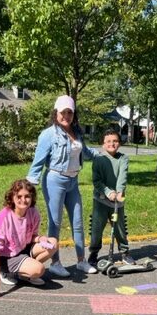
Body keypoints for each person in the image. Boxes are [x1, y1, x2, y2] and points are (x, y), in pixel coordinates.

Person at [27, 95, 98, 277]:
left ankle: (81, 261)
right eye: (63, 112)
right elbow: (38, 161)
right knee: (55, 223)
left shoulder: (77, 132)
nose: (66, 116)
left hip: (73, 181)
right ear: (56, 113)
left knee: (77, 222)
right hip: (55, 180)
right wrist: (30, 183)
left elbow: (86, 151)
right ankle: (56, 262)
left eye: (70, 112)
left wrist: (103, 155)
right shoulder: (48, 134)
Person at [0, 179, 58, 299]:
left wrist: (41, 238)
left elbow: (32, 236)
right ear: (12, 197)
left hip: (22, 249)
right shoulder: (4, 217)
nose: (23, 200)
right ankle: (5, 273)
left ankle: (25, 275)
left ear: (32, 197)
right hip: (6, 257)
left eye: (27, 196)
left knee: (53, 243)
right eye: (19, 196)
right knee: (39, 269)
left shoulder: (33, 212)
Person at [88, 129, 135, 268]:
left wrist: (120, 192)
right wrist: (108, 192)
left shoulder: (123, 158)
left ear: (119, 143)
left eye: (115, 141)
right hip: (101, 200)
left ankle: (125, 253)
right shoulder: (98, 159)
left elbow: (122, 176)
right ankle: (93, 254)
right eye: (108, 141)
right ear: (103, 144)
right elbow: (96, 181)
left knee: (120, 228)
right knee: (97, 229)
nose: (112, 144)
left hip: (117, 201)